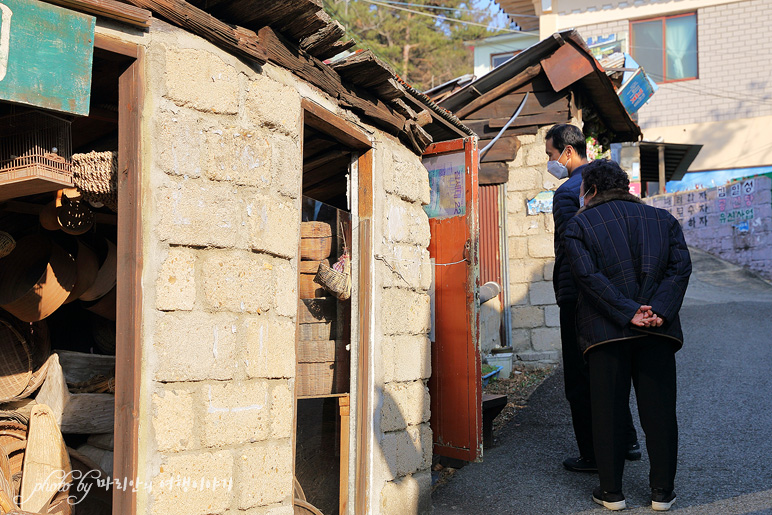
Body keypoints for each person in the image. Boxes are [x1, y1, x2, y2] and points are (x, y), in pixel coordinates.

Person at [564, 159, 691, 511]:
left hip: (607, 334)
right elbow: (679, 269)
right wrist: (657, 311)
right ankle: (662, 493)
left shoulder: (579, 225)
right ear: (626, 185)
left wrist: (626, 311)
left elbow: (587, 278)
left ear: (590, 188)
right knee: (660, 412)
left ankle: (611, 492)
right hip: (658, 332)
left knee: (608, 412)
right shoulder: (664, 220)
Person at [547, 124, 639, 473]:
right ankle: (627, 439)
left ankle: (592, 454)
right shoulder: (614, 187)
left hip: (578, 292)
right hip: (615, 292)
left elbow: (572, 248)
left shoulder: (568, 192)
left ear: (568, 152)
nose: (551, 161)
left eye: (551, 155)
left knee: (580, 376)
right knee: (611, 366)